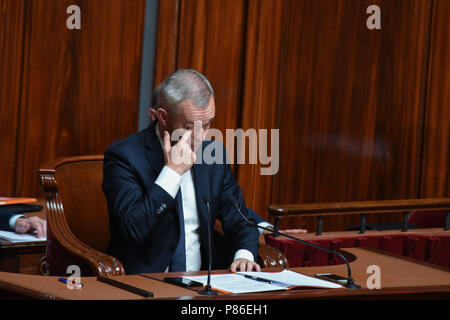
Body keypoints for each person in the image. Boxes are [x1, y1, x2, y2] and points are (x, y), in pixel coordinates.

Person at [103, 69, 266, 275]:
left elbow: (240, 220)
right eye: (190, 126)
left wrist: (244, 255)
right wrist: (171, 173)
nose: (200, 137)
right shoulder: (124, 156)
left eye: (207, 125)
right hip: (145, 283)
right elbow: (133, 230)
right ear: (163, 117)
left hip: (203, 283)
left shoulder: (212, 155)